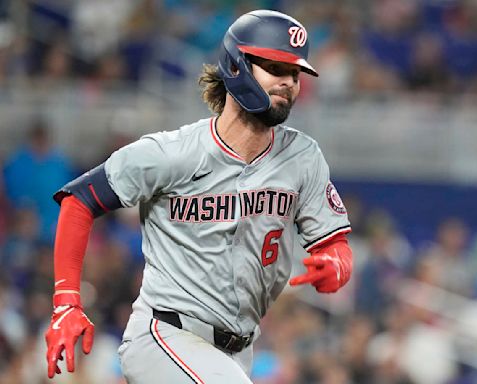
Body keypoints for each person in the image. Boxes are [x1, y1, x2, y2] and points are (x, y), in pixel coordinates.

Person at [44, 10, 353, 383]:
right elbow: (80, 201)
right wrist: (66, 301)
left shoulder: (303, 158)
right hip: (166, 335)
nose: (288, 82)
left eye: (295, 73)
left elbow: (335, 244)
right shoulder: (173, 152)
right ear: (237, 67)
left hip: (238, 351)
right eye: (275, 67)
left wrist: (336, 263)